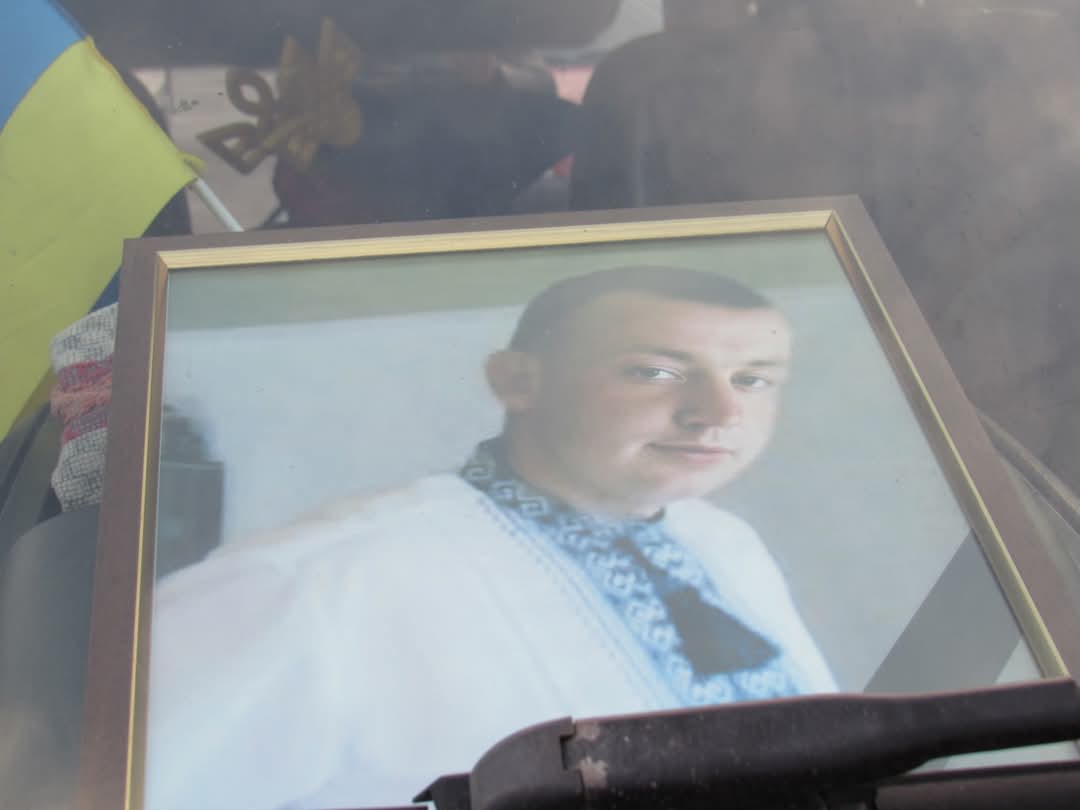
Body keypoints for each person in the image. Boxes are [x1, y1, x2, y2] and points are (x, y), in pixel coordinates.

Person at [144, 266, 835, 810]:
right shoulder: (316, 583)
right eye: (653, 371)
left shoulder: (724, 543)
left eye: (753, 379)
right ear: (517, 382)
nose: (719, 412)